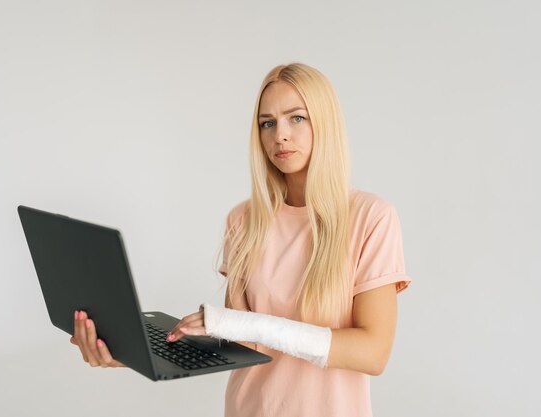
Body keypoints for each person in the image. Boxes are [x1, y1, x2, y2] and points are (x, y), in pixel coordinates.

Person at [70, 62, 412, 417]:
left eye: (296, 118)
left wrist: (243, 323)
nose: (280, 134)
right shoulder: (244, 220)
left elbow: (373, 353)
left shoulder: (372, 217)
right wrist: (130, 352)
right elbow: (240, 344)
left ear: (325, 122)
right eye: (268, 123)